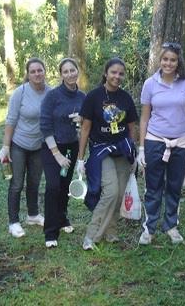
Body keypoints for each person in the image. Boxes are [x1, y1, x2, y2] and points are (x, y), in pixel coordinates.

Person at [137, 42, 185, 245]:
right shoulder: (150, 84)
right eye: (165, 59)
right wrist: (142, 147)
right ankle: (150, 228)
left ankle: (171, 225)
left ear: (178, 61)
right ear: (159, 60)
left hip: (181, 142)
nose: (168, 63)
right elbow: (144, 118)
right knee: (153, 186)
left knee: (174, 186)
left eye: (172, 60)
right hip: (155, 141)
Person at [76, 57, 138, 250]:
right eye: (113, 72)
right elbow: (85, 129)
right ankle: (91, 236)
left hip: (122, 149)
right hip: (101, 150)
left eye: (120, 73)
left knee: (120, 193)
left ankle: (111, 231)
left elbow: (132, 127)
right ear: (106, 73)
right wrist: (80, 158)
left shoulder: (125, 98)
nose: (117, 76)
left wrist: (135, 152)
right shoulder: (93, 97)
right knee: (110, 192)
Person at [0, 57, 50, 238]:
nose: (37, 74)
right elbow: (11, 120)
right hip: (19, 144)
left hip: (39, 145)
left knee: (34, 182)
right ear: (28, 74)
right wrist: (6, 147)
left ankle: (33, 215)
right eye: (33, 71)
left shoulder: (50, 92)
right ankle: (13, 222)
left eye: (40, 70)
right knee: (17, 183)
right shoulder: (20, 93)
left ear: (45, 71)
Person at [40, 58, 85, 248]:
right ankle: (50, 232)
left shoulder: (83, 97)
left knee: (65, 184)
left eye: (72, 70)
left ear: (78, 71)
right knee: (53, 186)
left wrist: (82, 119)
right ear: (61, 75)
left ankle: (62, 218)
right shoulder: (52, 96)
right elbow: (45, 126)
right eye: (65, 71)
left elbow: (88, 123)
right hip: (52, 148)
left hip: (71, 147)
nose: (70, 74)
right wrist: (57, 154)